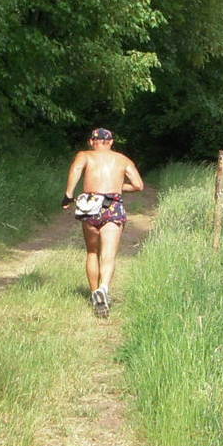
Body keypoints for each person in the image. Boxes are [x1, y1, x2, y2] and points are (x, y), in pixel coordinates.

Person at [62, 128, 144, 317]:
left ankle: (94, 295)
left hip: (90, 205)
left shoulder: (84, 155)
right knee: (108, 253)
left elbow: (76, 169)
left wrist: (68, 195)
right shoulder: (123, 160)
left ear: (92, 141)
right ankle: (103, 289)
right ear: (111, 142)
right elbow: (138, 185)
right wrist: (117, 185)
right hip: (112, 205)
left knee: (92, 252)